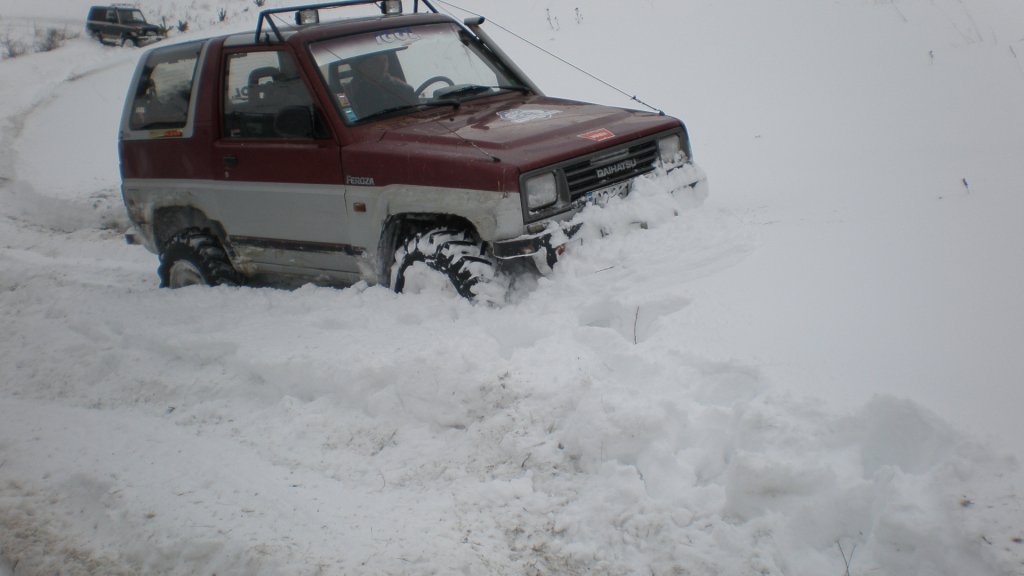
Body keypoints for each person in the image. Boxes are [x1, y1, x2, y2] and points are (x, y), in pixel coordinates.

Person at [346, 52, 417, 119]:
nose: (383, 65)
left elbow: (414, 115)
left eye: (385, 60)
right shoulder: (352, 91)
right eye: (375, 61)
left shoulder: (404, 88)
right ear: (362, 66)